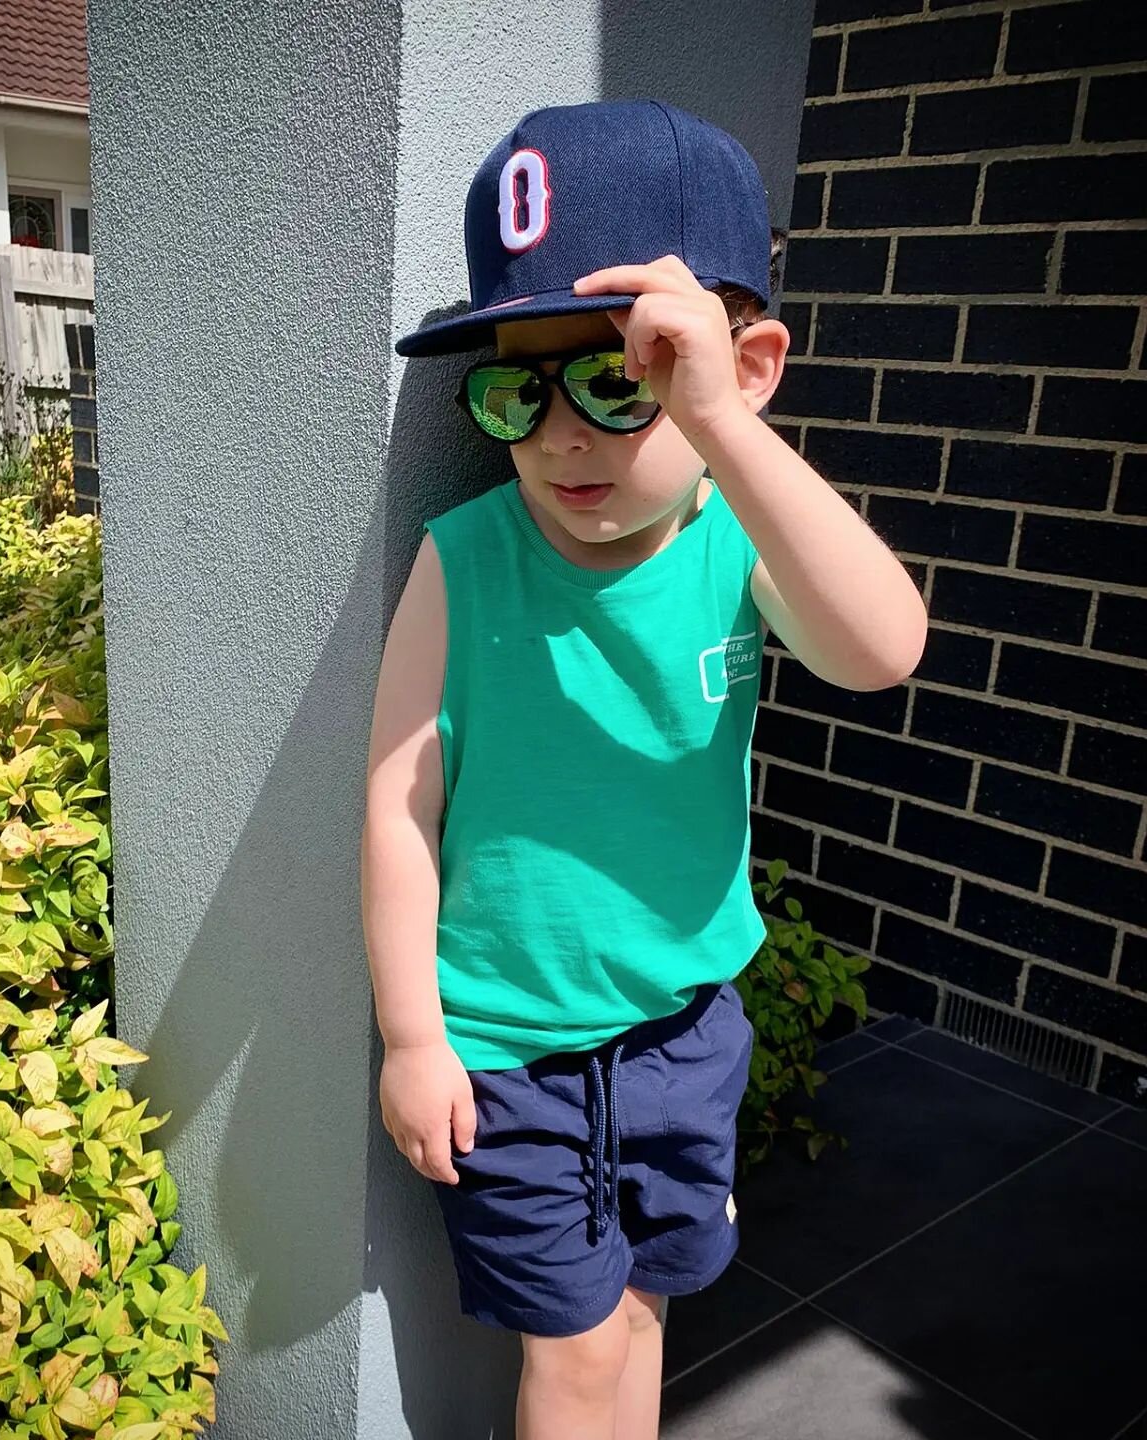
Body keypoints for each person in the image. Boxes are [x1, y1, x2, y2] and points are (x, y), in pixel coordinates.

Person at [360, 99, 927, 1440]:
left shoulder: (739, 540)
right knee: (568, 1352)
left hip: (684, 1036)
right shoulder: (467, 556)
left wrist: (720, 425)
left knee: (647, 1309)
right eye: (517, 387)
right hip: (512, 1053)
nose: (565, 433)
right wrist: (410, 1036)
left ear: (746, 365)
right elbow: (399, 802)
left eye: (625, 377)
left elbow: (883, 647)